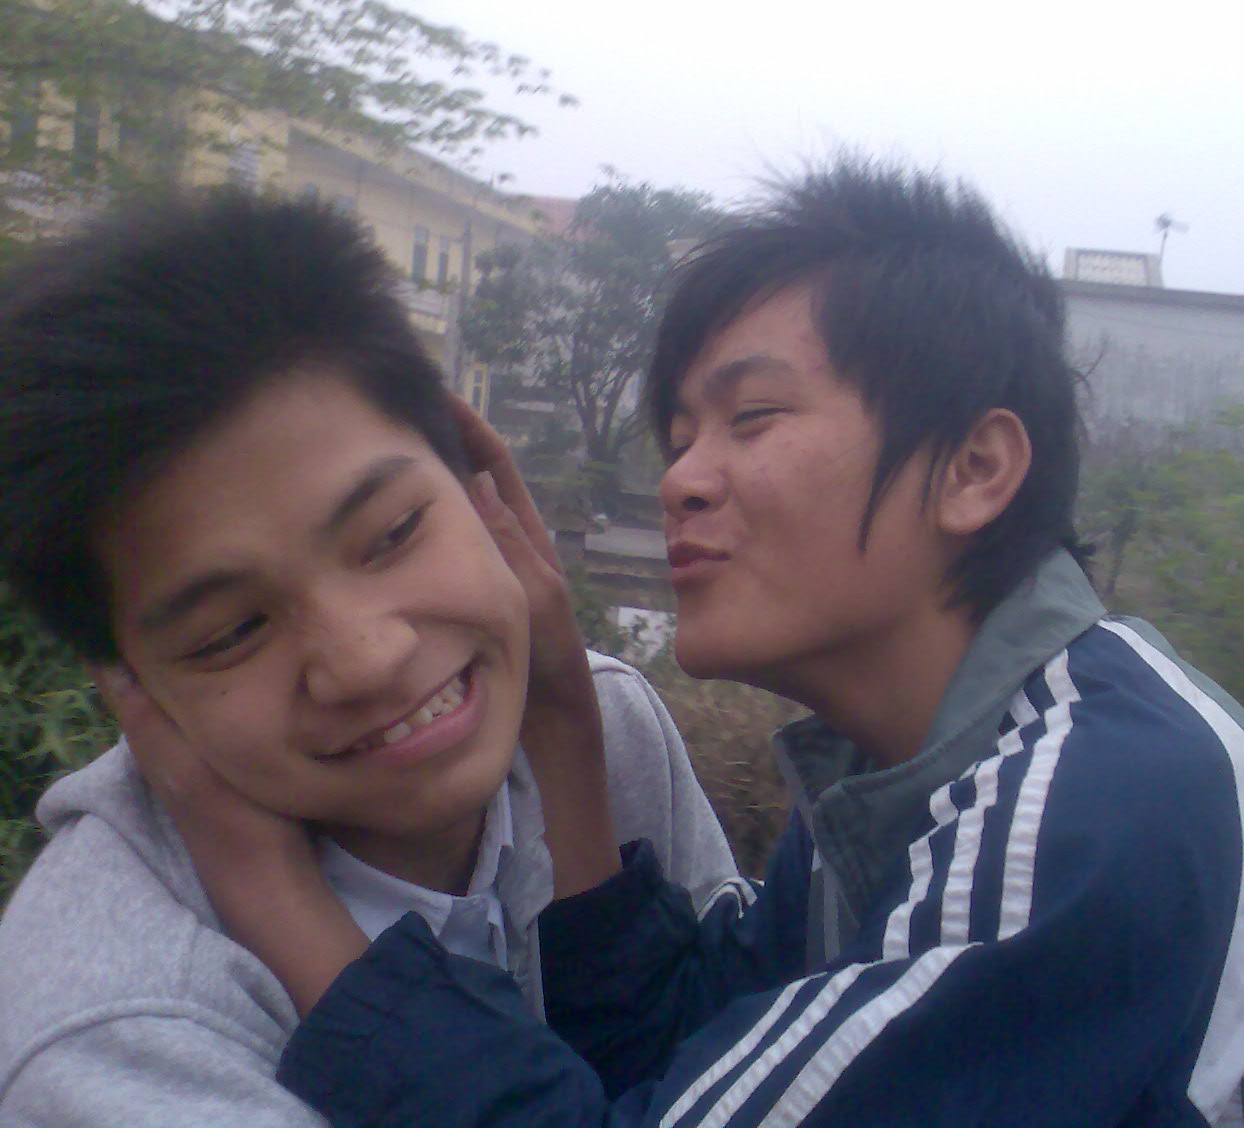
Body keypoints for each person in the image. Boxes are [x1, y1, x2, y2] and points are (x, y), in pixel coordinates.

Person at [121, 160, 1244, 1127]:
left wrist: (282, 906)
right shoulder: (901, 784)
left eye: (751, 419)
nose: (683, 480)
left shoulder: (1091, 807)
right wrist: (562, 719)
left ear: (974, 468)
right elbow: (672, 1063)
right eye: (679, 438)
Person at [0, 191, 739, 1127]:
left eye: (392, 533)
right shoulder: (122, 1043)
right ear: (128, 683)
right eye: (231, 631)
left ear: (478, 486)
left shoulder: (604, 722)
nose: (368, 659)